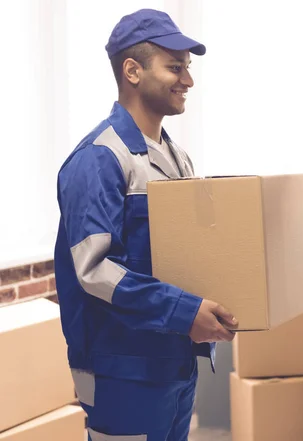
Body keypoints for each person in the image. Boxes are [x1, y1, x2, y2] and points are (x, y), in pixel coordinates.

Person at [54, 9, 238, 441]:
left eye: (187, 68)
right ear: (132, 71)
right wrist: (185, 311)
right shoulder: (99, 159)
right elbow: (94, 270)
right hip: (123, 371)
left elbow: (183, 256)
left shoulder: (176, 158)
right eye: (175, 67)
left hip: (173, 361)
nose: (188, 81)